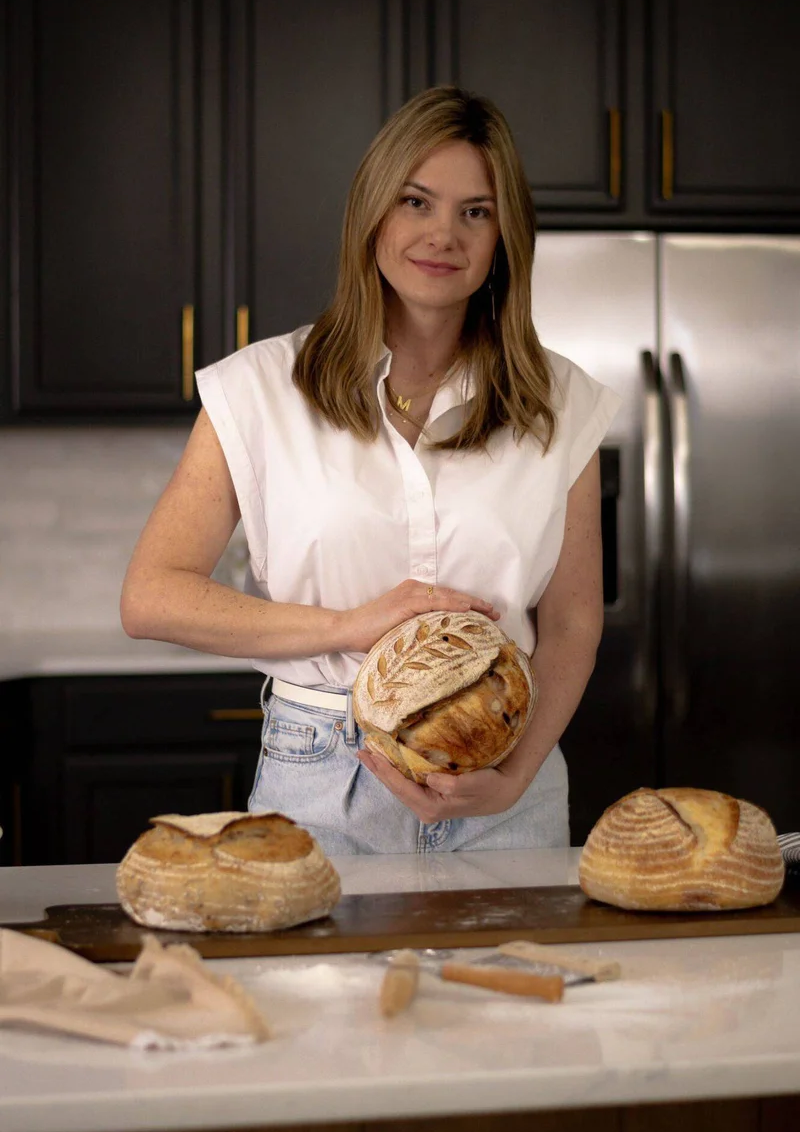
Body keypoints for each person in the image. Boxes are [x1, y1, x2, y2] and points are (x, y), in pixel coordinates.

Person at [120, 86, 621, 856]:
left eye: (475, 212)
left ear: (504, 238)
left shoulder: (560, 403)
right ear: (374, 212)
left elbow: (572, 622)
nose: (442, 234)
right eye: (416, 201)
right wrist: (344, 627)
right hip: (321, 775)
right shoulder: (260, 388)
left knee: (519, 975)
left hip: (504, 781)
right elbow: (152, 595)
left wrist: (516, 775)